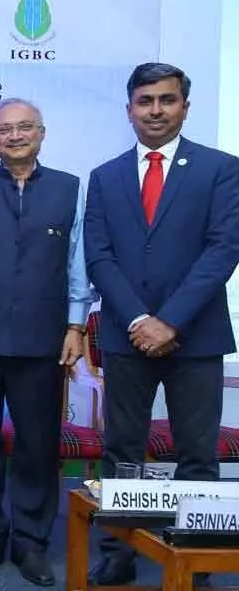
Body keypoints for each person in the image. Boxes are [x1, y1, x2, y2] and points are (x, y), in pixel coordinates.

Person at [85, 63, 239, 587]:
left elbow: (224, 250)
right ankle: (118, 550)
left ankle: (196, 553)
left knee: (197, 450)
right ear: (129, 108)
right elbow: (99, 257)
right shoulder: (105, 176)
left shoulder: (221, 169)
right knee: (121, 448)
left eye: (166, 100)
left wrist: (169, 320)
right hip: (127, 334)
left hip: (196, 336)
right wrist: (139, 319)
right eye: (145, 100)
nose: (155, 110)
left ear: (184, 107)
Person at [0, 98, 95, 586]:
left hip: (43, 340)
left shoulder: (70, 190)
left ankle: (31, 542)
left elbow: (79, 264)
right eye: (5, 129)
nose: (15, 135)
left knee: (37, 446)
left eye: (25, 127)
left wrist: (76, 325)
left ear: (42, 133)